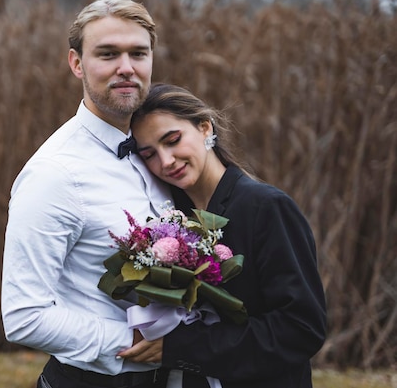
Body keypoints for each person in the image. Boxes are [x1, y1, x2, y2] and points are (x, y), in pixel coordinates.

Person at [1, 0, 172, 388]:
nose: (126, 68)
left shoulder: (161, 156)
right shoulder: (54, 174)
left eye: (138, 54)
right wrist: (134, 342)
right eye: (108, 54)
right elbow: (24, 315)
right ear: (76, 63)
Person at [117, 83, 327, 388]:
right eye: (149, 154)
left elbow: (301, 328)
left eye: (173, 140)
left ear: (204, 128)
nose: (166, 161)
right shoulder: (169, 220)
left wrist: (183, 347)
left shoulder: (267, 208)